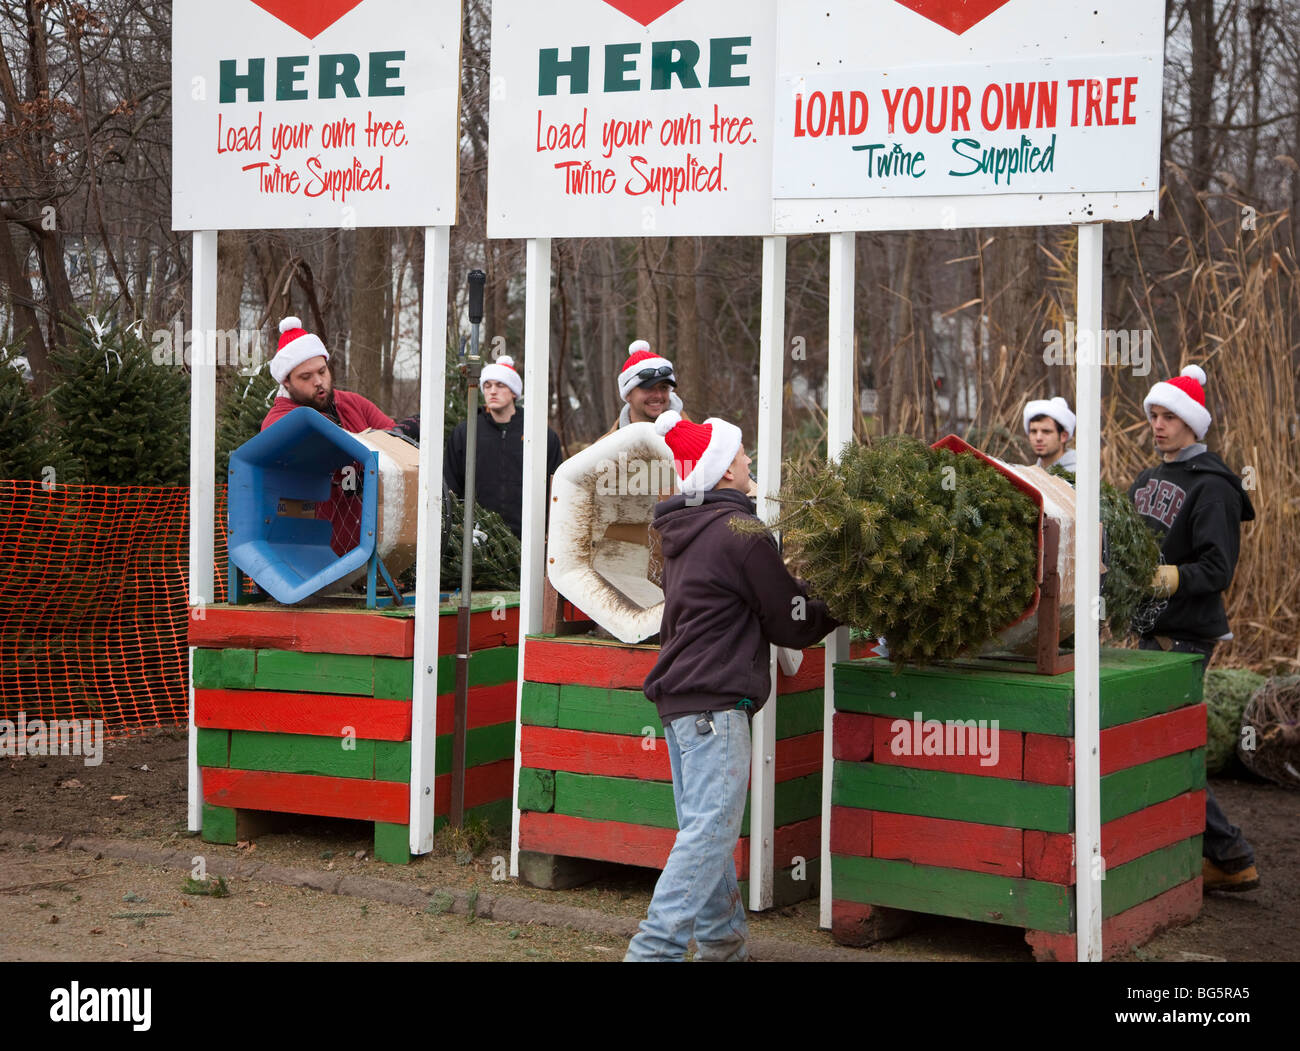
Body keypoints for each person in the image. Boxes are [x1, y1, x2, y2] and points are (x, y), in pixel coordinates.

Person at [624, 410, 840, 962]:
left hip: (682, 704)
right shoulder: (740, 534)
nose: (749, 462)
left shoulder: (684, 534)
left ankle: (723, 947)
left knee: (708, 833)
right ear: (723, 471)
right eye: (741, 454)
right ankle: (653, 953)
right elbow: (790, 619)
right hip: (715, 706)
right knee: (708, 836)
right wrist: (837, 600)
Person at [1128, 364, 1259, 892]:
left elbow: (1218, 569)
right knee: (1148, 743)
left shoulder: (1216, 488)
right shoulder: (1146, 479)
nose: (1157, 426)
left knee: (1165, 744)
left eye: (1168, 417)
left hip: (1187, 634)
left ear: (1191, 423)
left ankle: (1230, 853)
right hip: (1147, 629)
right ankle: (1208, 857)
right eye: (1154, 416)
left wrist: (1167, 577)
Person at [443, 355, 561, 538]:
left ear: (514, 392)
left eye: (500, 385)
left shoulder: (540, 435)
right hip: (478, 541)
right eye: (487, 385)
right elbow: (451, 486)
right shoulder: (466, 433)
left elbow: (555, 489)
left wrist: (547, 529)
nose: (492, 391)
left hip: (529, 538)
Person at [261, 316, 394, 433]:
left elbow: (394, 437)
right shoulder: (278, 425)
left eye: (322, 371)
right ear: (286, 381)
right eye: (306, 376)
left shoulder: (353, 402)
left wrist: (402, 430)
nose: (318, 381)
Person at [600, 340, 687, 439]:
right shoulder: (606, 447)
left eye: (663, 387)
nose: (658, 395)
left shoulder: (697, 439)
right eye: (649, 387)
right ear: (628, 394)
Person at [1023, 396, 1077, 471]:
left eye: (1046, 431)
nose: (1038, 438)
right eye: (1033, 431)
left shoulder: (1079, 475)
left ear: (1063, 436)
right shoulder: (1029, 474)